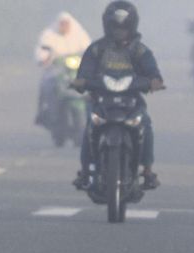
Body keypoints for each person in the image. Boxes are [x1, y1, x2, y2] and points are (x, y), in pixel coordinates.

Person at [72, 1, 165, 190]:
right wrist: (81, 81)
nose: (119, 31)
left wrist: (155, 81)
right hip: (100, 100)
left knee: (145, 123)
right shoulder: (96, 49)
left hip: (131, 101)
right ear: (108, 26)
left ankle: (147, 171)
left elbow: (153, 72)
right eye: (115, 27)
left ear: (132, 27)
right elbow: (84, 72)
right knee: (90, 125)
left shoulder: (140, 50)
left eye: (124, 28)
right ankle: (85, 172)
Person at [34, 12, 91, 127]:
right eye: (62, 24)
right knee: (46, 85)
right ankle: (43, 112)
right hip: (55, 71)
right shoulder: (49, 35)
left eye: (66, 24)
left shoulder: (79, 34)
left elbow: (89, 49)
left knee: (92, 87)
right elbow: (42, 51)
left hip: (76, 71)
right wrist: (45, 58)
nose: (64, 26)